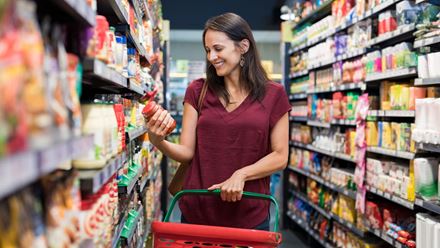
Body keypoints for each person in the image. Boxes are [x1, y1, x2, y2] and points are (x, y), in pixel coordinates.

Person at [145, 12, 291, 231]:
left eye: (218, 48)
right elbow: (187, 152)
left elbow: (280, 156)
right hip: (198, 211)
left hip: (249, 214)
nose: (211, 57)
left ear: (243, 46)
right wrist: (158, 141)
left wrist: (241, 174)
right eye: (207, 50)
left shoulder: (274, 94)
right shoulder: (197, 90)